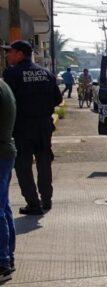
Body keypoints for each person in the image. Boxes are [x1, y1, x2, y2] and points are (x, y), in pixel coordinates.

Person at [2, 40, 62, 216]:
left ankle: (33, 204)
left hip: (23, 127)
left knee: (23, 166)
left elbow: (9, 101)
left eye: (10, 52)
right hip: (44, 126)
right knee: (44, 162)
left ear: (20, 54)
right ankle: (46, 200)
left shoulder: (12, 74)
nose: (7, 55)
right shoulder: (46, 73)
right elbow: (58, 99)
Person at [0, 74, 15, 280]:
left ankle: (3, 262)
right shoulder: (4, 85)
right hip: (6, 152)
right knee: (4, 207)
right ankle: (7, 257)